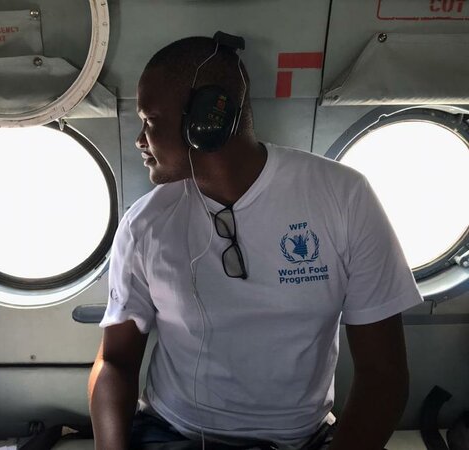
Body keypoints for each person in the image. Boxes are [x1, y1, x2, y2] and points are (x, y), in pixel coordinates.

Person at [88, 33, 423, 450]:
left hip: (300, 441)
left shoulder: (343, 198)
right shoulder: (145, 224)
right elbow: (116, 362)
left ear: (206, 119)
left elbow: (383, 375)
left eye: (150, 120)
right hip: (174, 434)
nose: (140, 139)